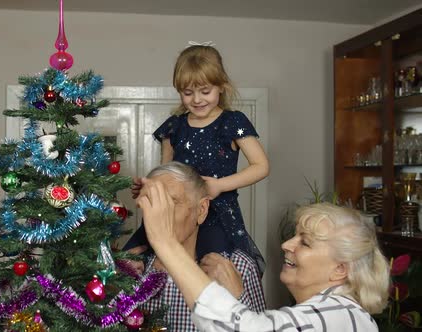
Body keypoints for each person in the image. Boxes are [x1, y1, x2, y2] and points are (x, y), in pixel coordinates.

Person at [137, 181, 390, 332]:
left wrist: (166, 242)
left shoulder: (339, 314)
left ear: (340, 270)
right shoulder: (325, 311)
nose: (286, 245)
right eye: (295, 235)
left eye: (306, 242)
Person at [124, 44, 269, 271]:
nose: (197, 100)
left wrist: (220, 185)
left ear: (221, 86)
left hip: (217, 215)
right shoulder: (174, 126)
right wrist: (149, 187)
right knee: (131, 260)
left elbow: (261, 166)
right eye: (188, 93)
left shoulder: (232, 122)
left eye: (205, 91)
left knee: (211, 271)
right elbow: (166, 173)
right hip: (177, 214)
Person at [137, 162, 265, 330]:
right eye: (153, 203)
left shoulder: (239, 267)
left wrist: (238, 297)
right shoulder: (131, 270)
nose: (161, 213)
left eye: (172, 202)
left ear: (201, 210)